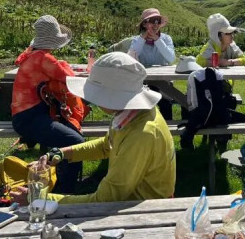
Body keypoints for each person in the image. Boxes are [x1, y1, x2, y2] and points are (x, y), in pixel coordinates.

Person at [12, 52, 176, 205]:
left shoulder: (141, 135)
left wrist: (39, 199)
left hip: (145, 209)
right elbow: (106, 145)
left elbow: (105, 199)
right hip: (131, 201)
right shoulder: (133, 114)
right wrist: (61, 153)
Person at [10, 15, 86, 193]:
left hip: (27, 114)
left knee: (68, 133)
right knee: (75, 140)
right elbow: (69, 79)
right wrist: (64, 65)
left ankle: (60, 178)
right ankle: (65, 188)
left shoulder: (32, 55)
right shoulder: (44, 58)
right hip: (30, 117)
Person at [128, 8, 176, 119]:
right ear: (144, 24)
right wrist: (142, 39)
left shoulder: (166, 39)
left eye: (158, 21)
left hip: (164, 79)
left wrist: (157, 40)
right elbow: (130, 58)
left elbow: (170, 58)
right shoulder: (136, 40)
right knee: (143, 105)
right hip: (143, 80)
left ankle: (167, 125)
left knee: (165, 102)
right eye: (152, 21)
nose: (155, 25)